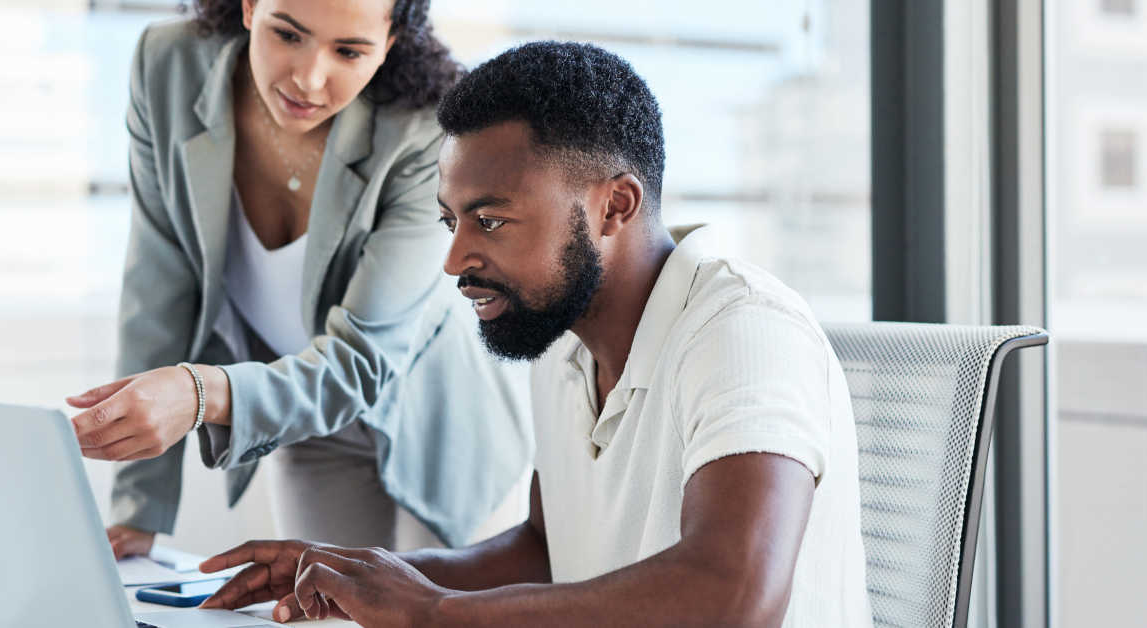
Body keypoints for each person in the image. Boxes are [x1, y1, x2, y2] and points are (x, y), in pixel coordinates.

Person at [193, 41, 874, 627]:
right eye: (449, 222)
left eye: (489, 221)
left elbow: (733, 597)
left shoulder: (742, 330)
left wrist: (432, 614)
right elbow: (550, 551)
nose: (455, 260)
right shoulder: (566, 339)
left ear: (616, 205)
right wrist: (369, 577)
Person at [65, 0, 531, 558]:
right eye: (288, 34)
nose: (309, 79)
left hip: (440, 422)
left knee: (428, 612)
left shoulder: (430, 128)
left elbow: (362, 358)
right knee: (318, 611)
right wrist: (137, 508)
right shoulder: (169, 64)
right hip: (296, 409)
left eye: (349, 51)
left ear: (390, 42)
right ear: (249, 7)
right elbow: (160, 285)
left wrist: (199, 393)